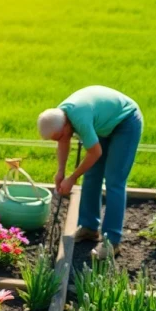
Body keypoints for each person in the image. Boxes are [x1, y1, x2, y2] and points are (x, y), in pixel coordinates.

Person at [37, 86, 143, 258]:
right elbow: (63, 140)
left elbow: (95, 152)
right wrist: (60, 172)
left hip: (125, 121)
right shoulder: (59, 116)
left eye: (58, 136)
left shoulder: (79, 119)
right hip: (104, 122)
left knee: (114, 181)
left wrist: (72, 178)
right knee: (92, 175)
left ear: (65, 125)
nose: (59, 140)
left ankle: (111, 242)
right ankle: (89, 227)